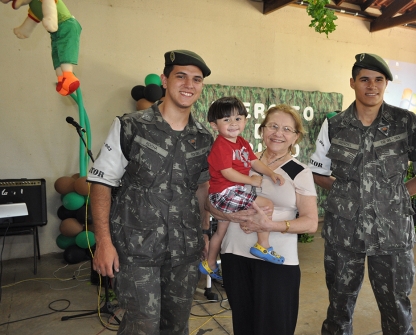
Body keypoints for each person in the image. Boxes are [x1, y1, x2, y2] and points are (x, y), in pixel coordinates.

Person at [308, 53, 416, 335]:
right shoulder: (334, 125)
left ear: (386, 84)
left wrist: (393, 196)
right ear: (352, 83)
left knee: (396, 307)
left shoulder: (406, 122)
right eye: (365, 79)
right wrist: (347, 193)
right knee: (338, 306)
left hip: (392, 233)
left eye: (379, 80)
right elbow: (318, 172)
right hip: (344, 232)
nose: (372, 86)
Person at [87, 49, 213, 335]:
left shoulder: (203, 137)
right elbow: (101, 184)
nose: (188, 85)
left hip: (184, 251)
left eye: (196, 79)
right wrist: (103, 243)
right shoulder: (130, 126)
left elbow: (201, 188)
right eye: (180, 76)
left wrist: (204, 231)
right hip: (135, 250)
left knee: (177, 325)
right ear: (164, 80)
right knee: (141, 325)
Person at [208, 104, 319, 335]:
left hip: (276, 263)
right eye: (273, 126)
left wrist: (271, 225)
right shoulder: (239, 158)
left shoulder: (300, 171)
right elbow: (211, 200)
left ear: (296, 137)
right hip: (235, 256)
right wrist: (229, 214)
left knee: (274, 328)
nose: (279, 133)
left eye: (287, 129)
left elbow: (310, 223)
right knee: (244, 326)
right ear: (261, 130)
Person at [199, 97, 286, 281]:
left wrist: (270, 173)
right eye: (226, 120)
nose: (233, 124)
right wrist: (251, 181)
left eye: (238, 119)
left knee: (220, 231)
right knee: (266, 204)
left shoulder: (242, 143)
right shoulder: (221, 145)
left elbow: (254, 162)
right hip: (224, 193)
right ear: (214, 125)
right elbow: (227, 173)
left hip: (229, 193)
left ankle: (210, 263)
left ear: (246, 121)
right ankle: (263, 245)